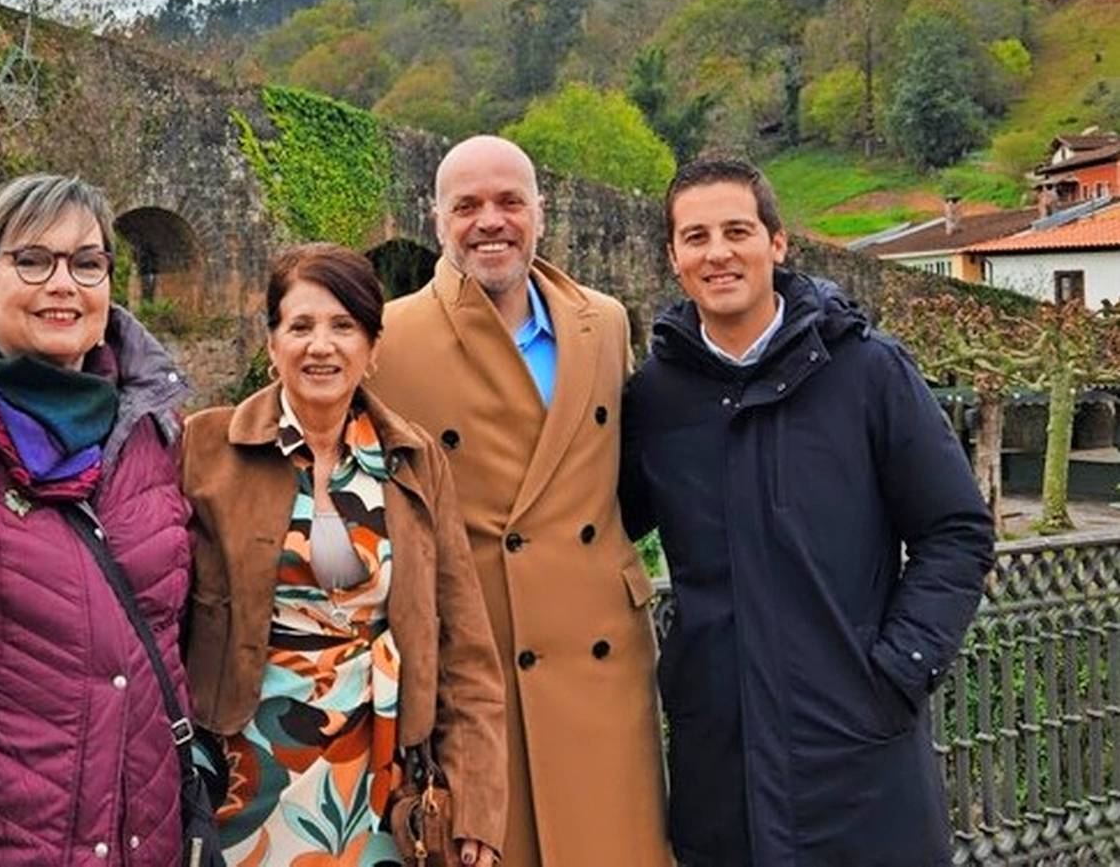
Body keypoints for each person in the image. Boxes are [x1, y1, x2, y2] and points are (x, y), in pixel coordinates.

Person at [621, 157, 994, 866]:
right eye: (695, 236)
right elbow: (600, 528)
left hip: (857, 748)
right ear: (673, 257)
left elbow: (956, 530)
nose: (718, 251)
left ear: (778, 242)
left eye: (737, 230)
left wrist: (898, 669)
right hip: (719, 757)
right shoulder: (657, 399)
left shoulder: (866, 371)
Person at [366, 135, 669, 867]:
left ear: (542, 209)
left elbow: (615, 478)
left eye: (509, 201)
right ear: (436, 218)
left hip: (603, 665)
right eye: (466, 205)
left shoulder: (606, 322)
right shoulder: (390, 337)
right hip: (485, 678)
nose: (489, 220)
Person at [183, 244, 508, 866]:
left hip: (380, 771)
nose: (321, 346)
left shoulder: (414, 463)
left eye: (343, 326)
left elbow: (466, 648)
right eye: (300, 326)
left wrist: (479, 805)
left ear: (374, 347)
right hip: (244, 772)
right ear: (273, 342)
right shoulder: (206, 448)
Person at [0, 173, 195, 864]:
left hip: (141, 830)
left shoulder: (157, 428)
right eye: (32, 260)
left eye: (86, 262)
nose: (62, 284)